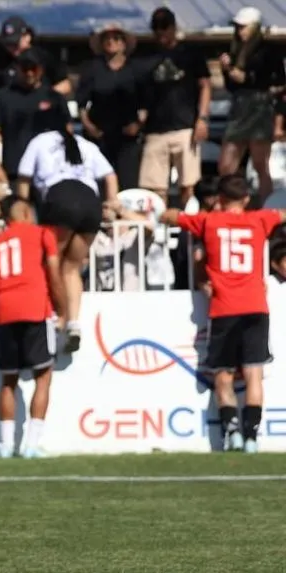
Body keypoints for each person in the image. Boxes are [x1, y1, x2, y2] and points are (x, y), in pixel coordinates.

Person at [157, 174, 286, 452]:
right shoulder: (261, 219)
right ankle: (251, 437)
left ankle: (232, 433)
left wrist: (163, 212)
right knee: (254, 374)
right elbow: (282, 214)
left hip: (224, 308)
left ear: (220, 199)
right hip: (256, 307)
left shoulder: (208, 221)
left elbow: (172, 216)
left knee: (222, 375)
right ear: (247, 199)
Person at [16, 91, 119, 352]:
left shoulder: (39, 141)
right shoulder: (85, 144)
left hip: (61, 198)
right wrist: (112, 203)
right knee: (72, 267)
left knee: (51, 261)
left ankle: (57, 317)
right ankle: (73, 323)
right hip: (91, 203)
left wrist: (22, 210)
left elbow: (24, 180)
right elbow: (109, 175)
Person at [0, 195, 66, 458]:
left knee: (8, 380)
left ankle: (5, 445)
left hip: (4, 313)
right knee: (43, 376)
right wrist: (63, 309)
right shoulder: (41, 234)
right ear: (27, 212)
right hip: (35, 309)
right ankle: (31, 444)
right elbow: (54, 273)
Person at [138, 7, 211, 207]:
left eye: (165, 26)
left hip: (186, 126)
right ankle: (158, 224)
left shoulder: (191, 53)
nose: (161, 32)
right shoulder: (146, 56)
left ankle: (189, 223)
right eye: (156, 27)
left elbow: (205, 85)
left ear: (173, 27)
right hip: (155, 129)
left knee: (188, 184)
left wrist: (202, 118)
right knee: (154, 188)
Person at [218, 7, 285, 204]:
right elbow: (232, 86)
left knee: (260, 164)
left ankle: (267, 207)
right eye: (238, 28)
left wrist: (244, 76)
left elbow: (276, 81)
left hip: (260, 108)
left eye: (243, 27)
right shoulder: (234, 50)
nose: (240, 32)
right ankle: (229, 203)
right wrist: (226, 70)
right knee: (226, 165)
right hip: (239, 107)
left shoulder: (268, 51)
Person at [77, 22, 143, 191]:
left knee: (128, 183)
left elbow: (146, 101)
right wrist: (89, 127)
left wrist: (138, 124)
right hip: (100, 135)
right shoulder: (92, 69)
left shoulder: (135, 69)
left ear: (124, 43)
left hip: (127, 137)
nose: (111, 41)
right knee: (98, 182)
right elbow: (82, 103)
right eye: (106, 38)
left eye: (116, 38)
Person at [0, 49, 57, 193]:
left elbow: (66, 131)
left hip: (48, 170)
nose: (29, 73)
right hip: (14, 171)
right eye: (25, 68)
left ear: (41, 69)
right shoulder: (2, 97)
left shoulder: (53, 97)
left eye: (33, 68)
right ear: (17, 69)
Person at [0, 16, 71, 100]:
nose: (12, 48)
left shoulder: (44, 57)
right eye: (8, 44)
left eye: (15, 43)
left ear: (27, 37)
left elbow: (65, 85)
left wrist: (42, 98)